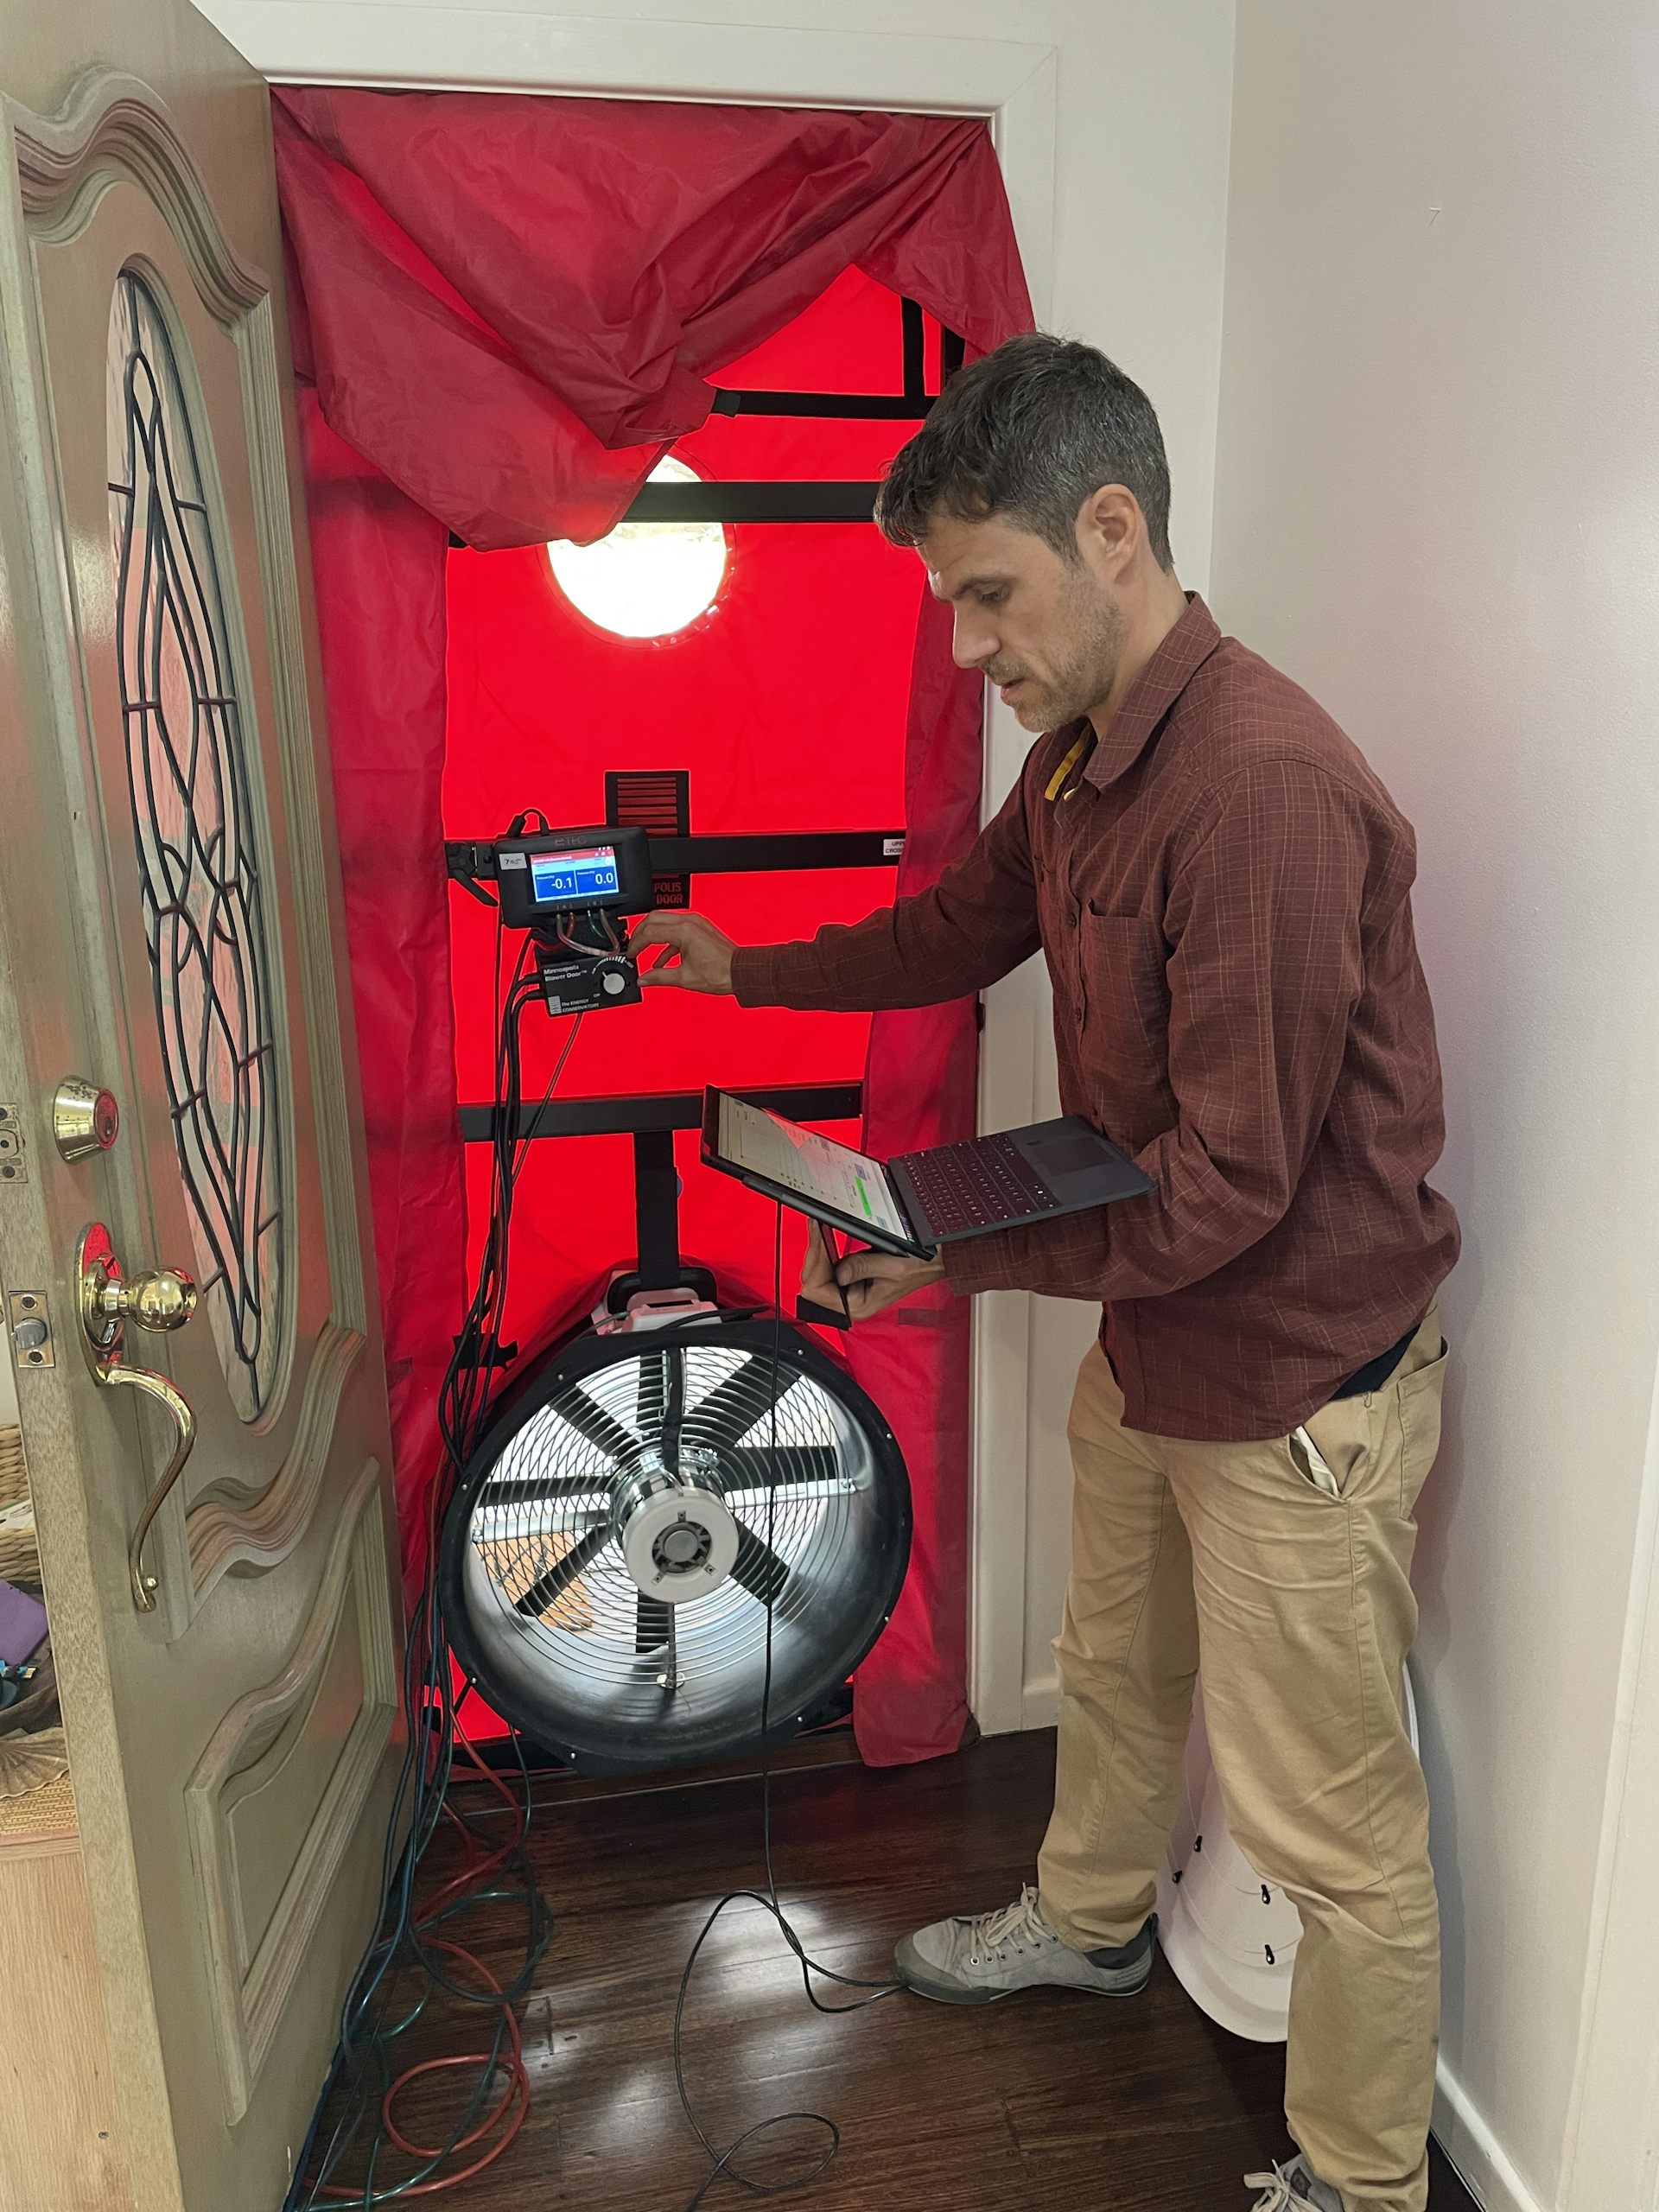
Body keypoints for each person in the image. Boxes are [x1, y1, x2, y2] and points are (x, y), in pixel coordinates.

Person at [630, 334, 1459, 2212]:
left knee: (1338, 1829)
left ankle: (1363, 2178)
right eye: (949, 599)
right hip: (1156, 1340)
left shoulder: (1261, 788)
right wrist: (738, 967)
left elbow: (1234, 1187)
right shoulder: (1086, 756)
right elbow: (961, 926)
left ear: (1114, 531)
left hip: (1289, 1385)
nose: (965, 645)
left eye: (985, 592)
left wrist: (953, 1261)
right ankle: (1091, 1923)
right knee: (1117, 1662)